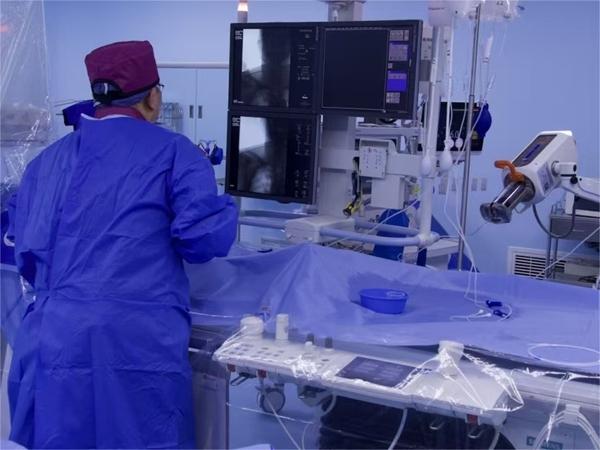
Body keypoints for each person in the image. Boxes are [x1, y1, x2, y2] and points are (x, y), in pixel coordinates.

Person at [6, 40, 238, 449]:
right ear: (153, 97)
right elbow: (202, 240)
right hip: (137, 342)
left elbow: (27, 251)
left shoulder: (47, 162)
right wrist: (226, 208)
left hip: (56, 338)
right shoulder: (175, 153)